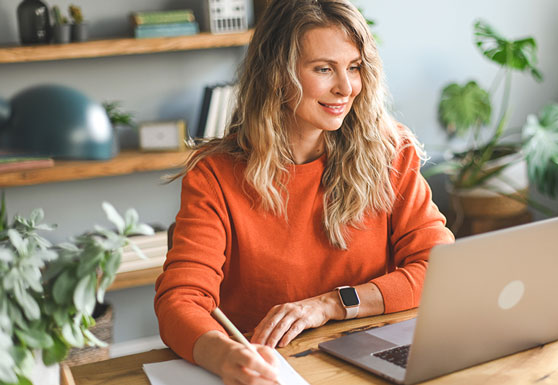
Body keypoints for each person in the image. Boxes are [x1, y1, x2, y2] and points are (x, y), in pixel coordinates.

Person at [154, 0, 454, 383]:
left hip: (376, 359)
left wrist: (331, 304)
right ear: (277, 75)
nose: (346, 88)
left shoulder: (391, 152)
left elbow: (438, 269)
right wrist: (227, 357)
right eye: (324, 69)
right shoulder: (214, 176)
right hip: (274, 368)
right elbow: (181, 300)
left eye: (355, 67)